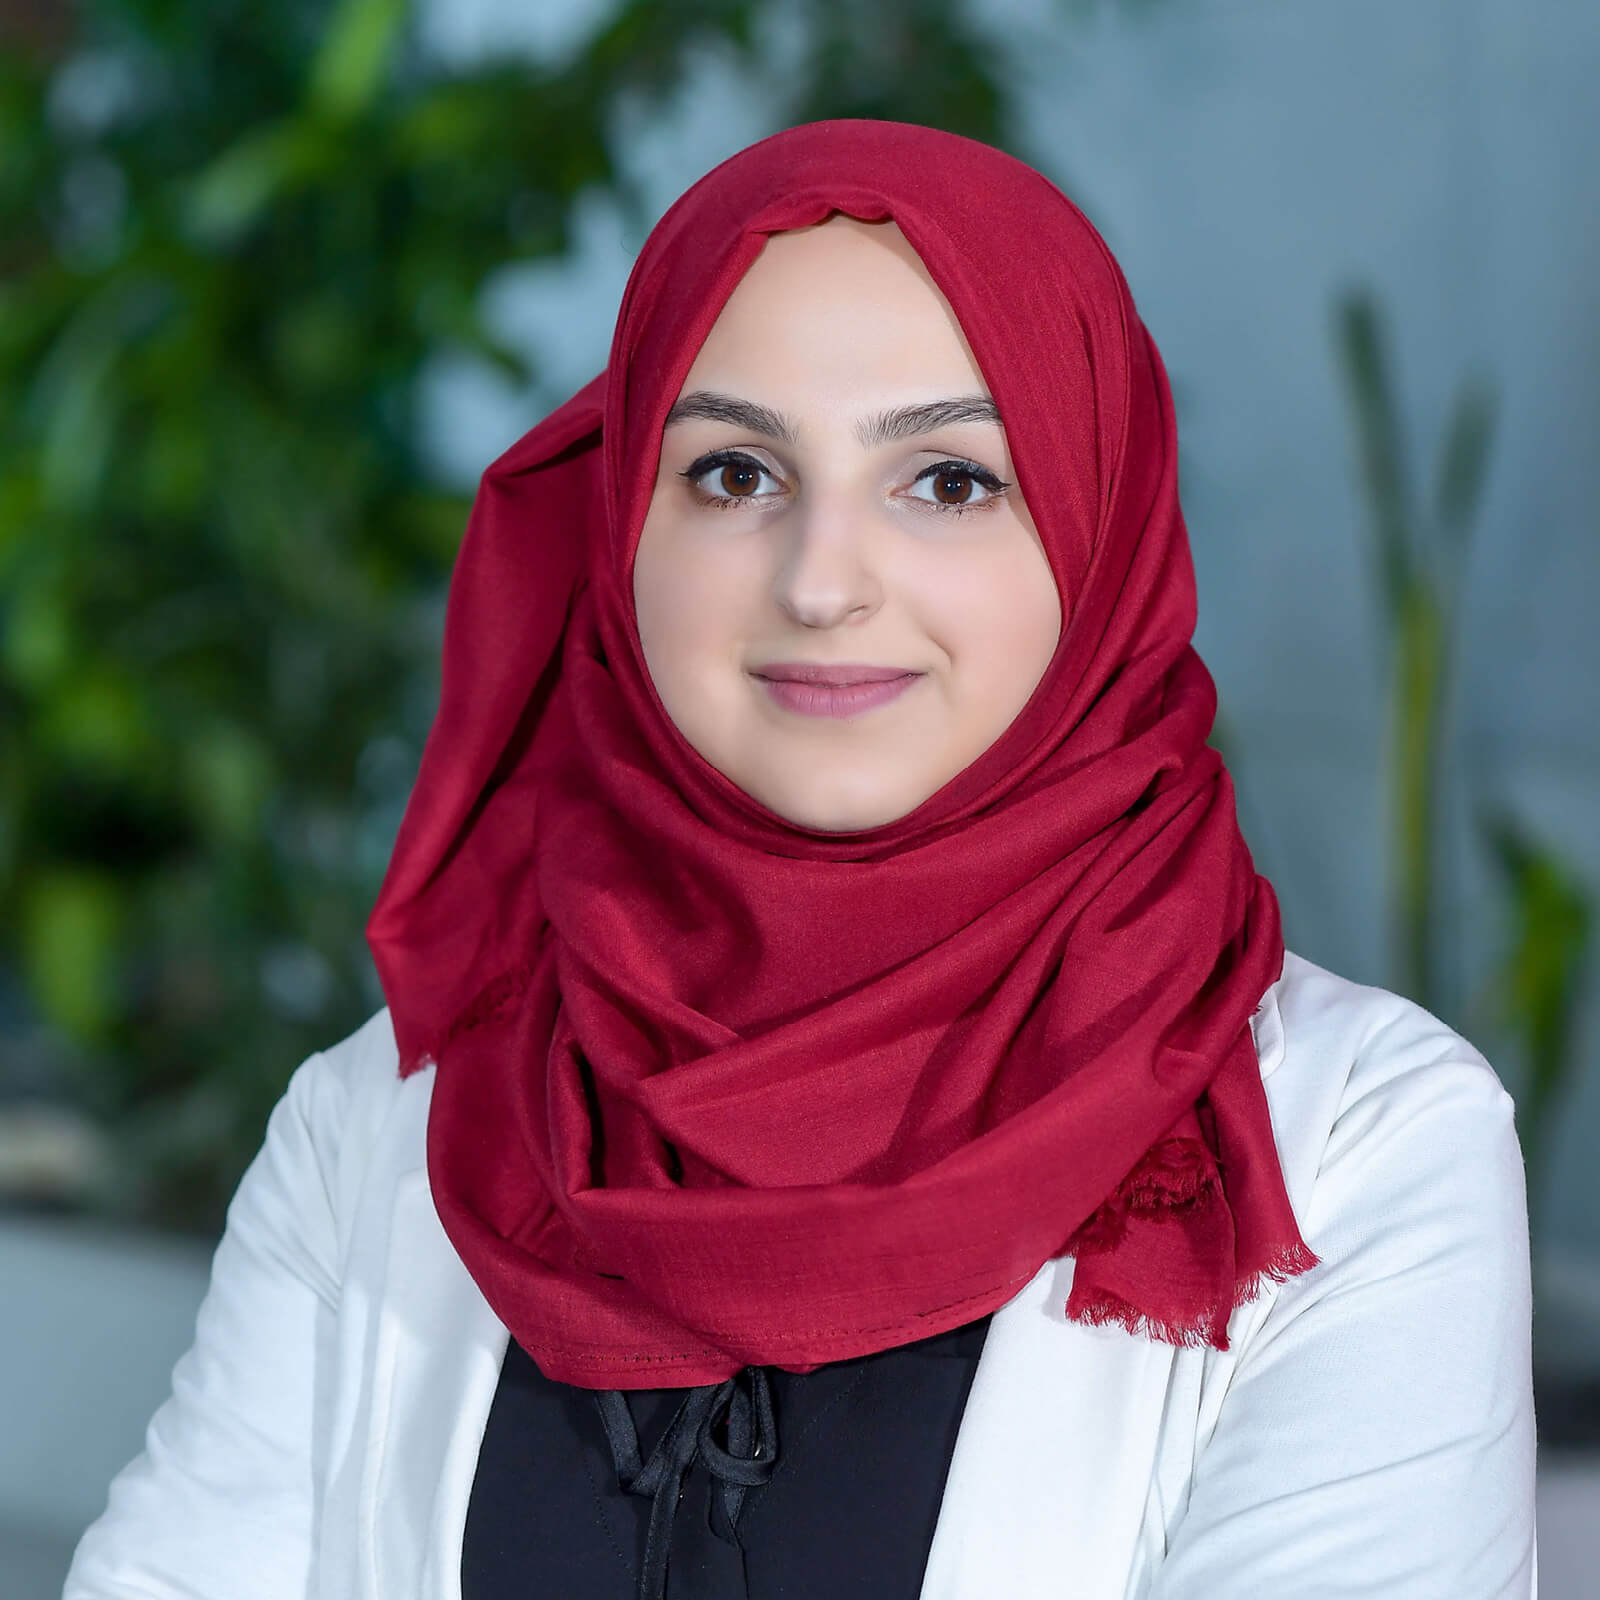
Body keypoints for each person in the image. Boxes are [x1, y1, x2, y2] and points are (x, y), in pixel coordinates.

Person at [63, 120, 1537, 1599]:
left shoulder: (1358, 1148)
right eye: (732, 473)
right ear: (622, 528)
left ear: (1103, 536)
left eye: (948, 481)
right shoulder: (388, 1129)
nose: (821, 582)